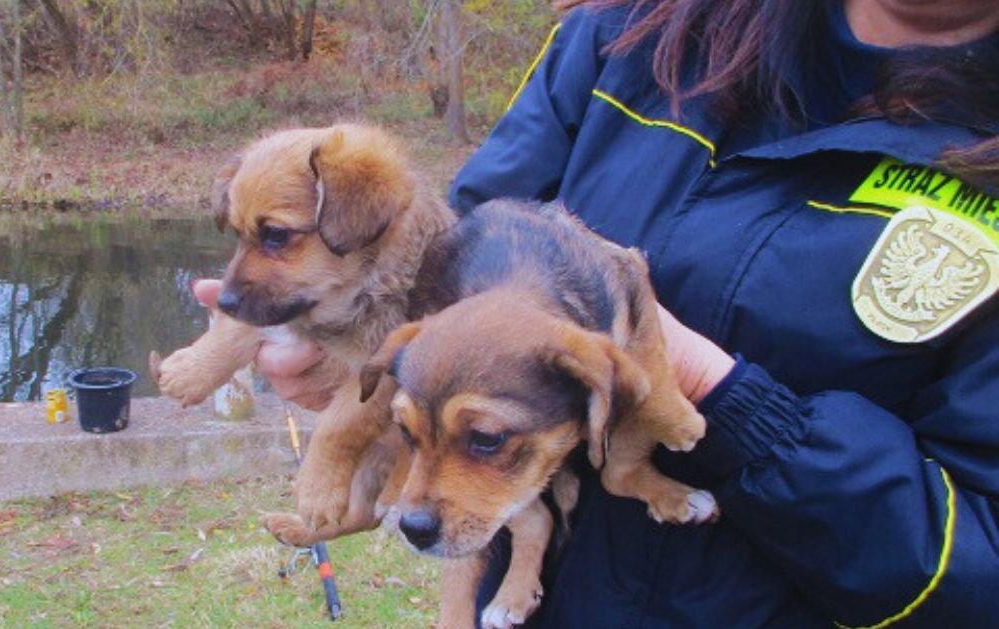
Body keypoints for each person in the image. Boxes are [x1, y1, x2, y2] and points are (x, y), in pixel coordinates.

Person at [193, 0, 999, 624]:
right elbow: (451, 250)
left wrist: (711, 389)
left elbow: (976, 575)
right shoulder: (631, 39)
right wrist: (353, 359)